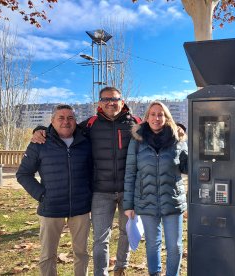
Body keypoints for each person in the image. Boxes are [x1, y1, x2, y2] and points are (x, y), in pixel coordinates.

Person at [31, 87, 141, 276]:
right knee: (100, 238)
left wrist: (180, 128)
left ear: (122, 102)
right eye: (105, 99)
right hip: (100, 192)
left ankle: (120, 267)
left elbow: (159, 127)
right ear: (99, 103)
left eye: (114, 99)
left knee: (126, 232)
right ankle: (101, 272)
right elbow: (64, 128)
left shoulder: (136, 123)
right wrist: (40, 130)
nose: (110, 103)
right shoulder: (89, 125)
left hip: (129, 190)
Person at [16, 104, 92, 276]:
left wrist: (89, 194)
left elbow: (92, 171)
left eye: (70, 118)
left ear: (76, 121)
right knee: (48, 254)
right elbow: (23, 174)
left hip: (80, 208)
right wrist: (42, 195)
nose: (66, 121)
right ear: (52, 121)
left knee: (81, 253)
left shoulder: (85, 143)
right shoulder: (39, 143)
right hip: (51, 208)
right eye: (61, 118)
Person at [123, 101, 188, 276]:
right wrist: (128, 205)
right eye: (153, 114)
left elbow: (187, 167)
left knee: (174, 246)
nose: (156, 118)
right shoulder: (137, 140)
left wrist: (195, 145)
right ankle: (154, 273)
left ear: (167, 118)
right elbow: (130, 173)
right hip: (146, 201)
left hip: (172, 201)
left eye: (160, 114)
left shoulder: (177, 139)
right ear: (147, 117)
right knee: (152, 243)